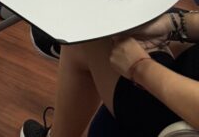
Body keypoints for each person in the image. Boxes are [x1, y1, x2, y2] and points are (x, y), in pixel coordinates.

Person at [21, 10, 199, 137]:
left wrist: (140, 67)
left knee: (86, 37)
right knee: (128, 18)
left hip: (182, 117)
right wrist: (175, 23)